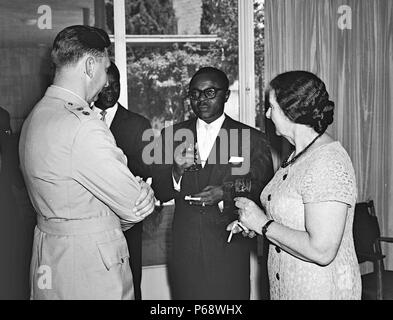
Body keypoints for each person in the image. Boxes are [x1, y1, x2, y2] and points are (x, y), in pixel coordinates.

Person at [18, 25, 155, 300]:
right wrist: (143, 193)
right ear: (90, 65)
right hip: (89, 271)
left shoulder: (36, 115)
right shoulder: (83, 125)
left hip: (51, 260)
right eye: (105, 70)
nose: (106, 82)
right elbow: (132, 206)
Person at [228, 70, 361, 300]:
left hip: (322, 292)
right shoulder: (296, 155)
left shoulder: (327, 162)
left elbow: (322, 250)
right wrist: (254, 221)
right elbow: (291, 218)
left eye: (272, 107)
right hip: (289, 289)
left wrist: (263, 225)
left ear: (292, 112)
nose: (268, 115)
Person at [152, 67, 274, 299]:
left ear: (226, 95)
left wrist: (225, 192)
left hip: (229, 249)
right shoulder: (171, 136)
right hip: (185, 250)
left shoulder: (252, 138)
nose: (201, 100)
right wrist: (176, 171)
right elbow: (159, 191)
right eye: (195, 94)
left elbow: (262, 189)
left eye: (210, 93)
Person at [93, 61, 152, 300]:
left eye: (115, 86)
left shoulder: (139, 124)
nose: (110, 92)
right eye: (104, 86)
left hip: (127, 222)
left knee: (129, 284)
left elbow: (150, 174)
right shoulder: (80, 122)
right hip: (92, 223)